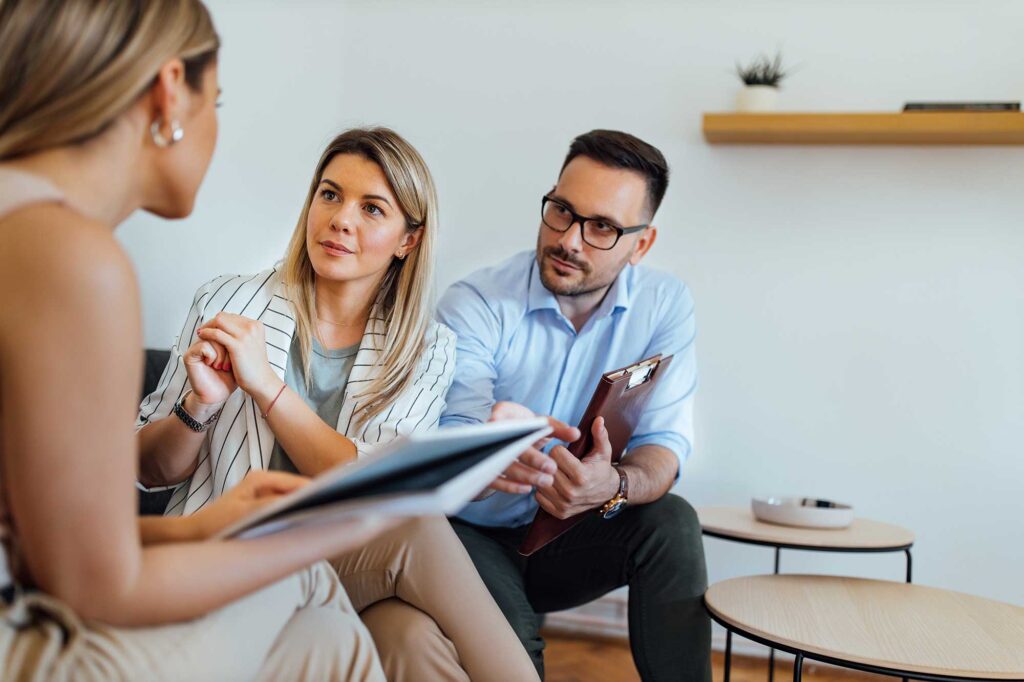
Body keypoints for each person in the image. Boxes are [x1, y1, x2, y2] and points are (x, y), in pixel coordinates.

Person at [0, 2, 399, 679]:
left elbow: (46, 547)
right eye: (216, 99)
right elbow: (95, 587)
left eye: (372, 209)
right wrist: (329, 530)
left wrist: (205, 525)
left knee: (324, 641)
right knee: (308, 587)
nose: (340, 222)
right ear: (168, 91)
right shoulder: (73, 258)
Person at [136, 127, 538, 682]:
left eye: (372, 208)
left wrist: (268, 389)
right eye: (330, 194)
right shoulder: (228, 301)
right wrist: (197, 406)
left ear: (408, 240)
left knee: (409, 635)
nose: (341, 219)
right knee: (413, 539)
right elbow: (149, 471)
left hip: (341, 565)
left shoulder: (427, 349)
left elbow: (371, 489)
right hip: (222, 556)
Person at [438, 130, 712, 681]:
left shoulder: (664, 306)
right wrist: (490, 454)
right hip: (467, 531)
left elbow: (665, 448)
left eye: (603, 227)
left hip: (565, 535)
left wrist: (611, 485)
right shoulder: (476, 302)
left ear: (642, 243)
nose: (571, 240)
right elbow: (453, 434)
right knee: (514, 652)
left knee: (672, 523)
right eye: (561, 211)